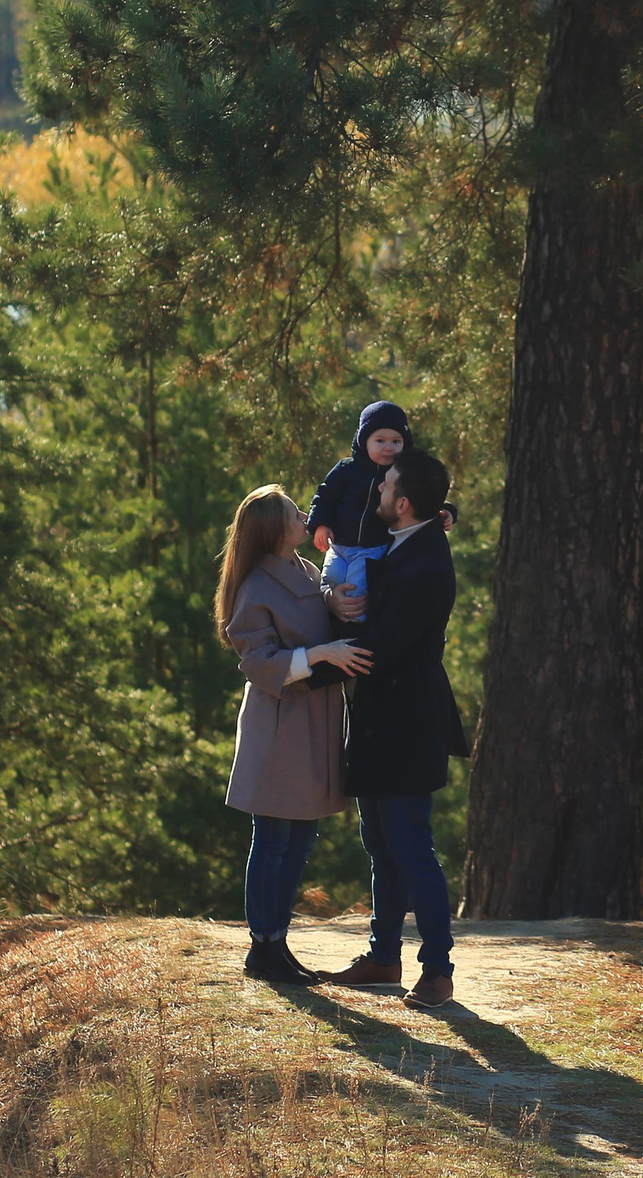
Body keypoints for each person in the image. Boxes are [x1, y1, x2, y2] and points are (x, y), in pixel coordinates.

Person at [309, 446, 468, 1009]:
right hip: (380, 719)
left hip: (407, 722)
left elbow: (385, 643)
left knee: (411, 846)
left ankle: (438, 970)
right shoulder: (403, 546)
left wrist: (305, 668)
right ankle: (383, 956)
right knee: (381, 844)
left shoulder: (425, 562)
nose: (375, 490)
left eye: (384, 486)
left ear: (402, 504)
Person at [216, 484, 371, 985]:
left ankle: (276, 943)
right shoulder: (255, 586)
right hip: (280, 725)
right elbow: (257, 661)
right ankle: (262, 947)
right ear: (273, 529)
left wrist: (337, 602)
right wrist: (322, 655)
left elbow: (317, 613)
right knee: (275, 837)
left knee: (301, 835)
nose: (305, 515)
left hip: (314, 722)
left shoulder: (304, 570)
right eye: (293, 513)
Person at [306, 400, 414, 596]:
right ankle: (328, 622)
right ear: (364, 441)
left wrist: (447, 511)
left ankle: (353, 623)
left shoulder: (402, 474)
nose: (389, 447)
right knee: (330, 582)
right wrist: (320, 524)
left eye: (396, 441)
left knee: (356, 590)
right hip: (338, 546)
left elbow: (425, 495)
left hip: (372, 550)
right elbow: (325, 496)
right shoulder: (347, 469)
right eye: (380, 441)